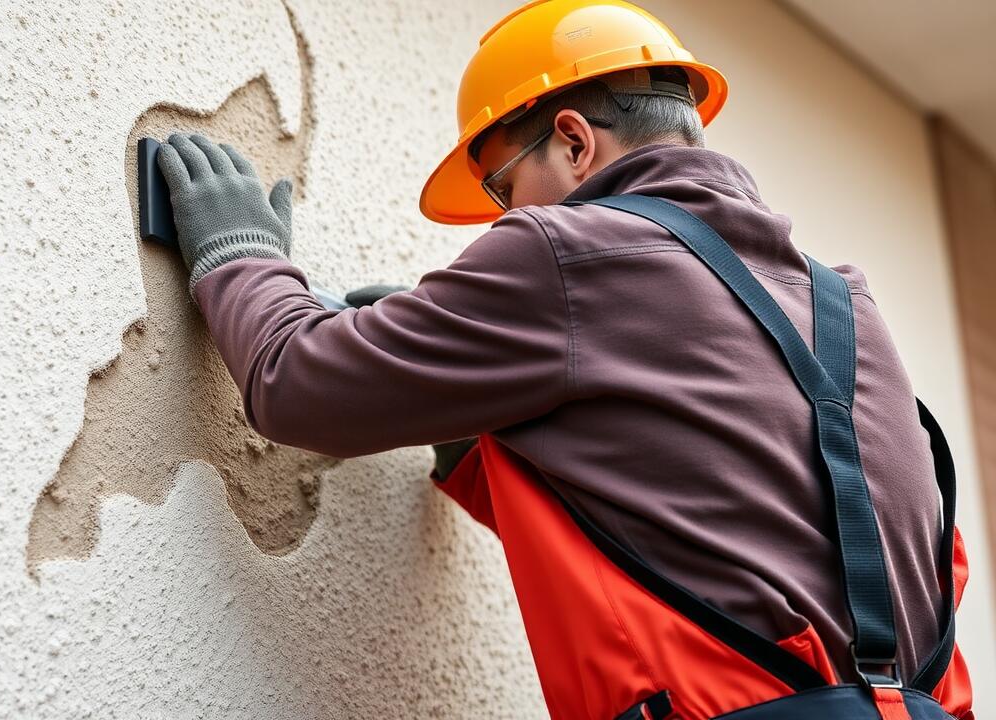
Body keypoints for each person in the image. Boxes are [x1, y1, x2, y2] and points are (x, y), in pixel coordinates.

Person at [154, 1, 973, 717]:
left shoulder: (569, 252)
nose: (502, 226)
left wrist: (239, 255)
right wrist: (477, 451)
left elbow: (296, 384)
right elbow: (714, 510)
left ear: (575, 143)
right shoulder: (843, 302)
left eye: (506, 193)